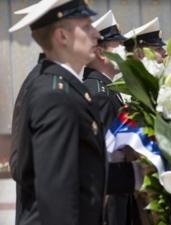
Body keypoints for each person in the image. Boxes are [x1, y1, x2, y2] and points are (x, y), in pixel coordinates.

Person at [9, 1, 106, 224]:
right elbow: (57, 193)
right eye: (87, 26)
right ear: (62, 36)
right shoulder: (57, 97)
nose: (96, 34)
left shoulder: (62, 86)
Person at [83, 10, 142, 225]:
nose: (124, 50)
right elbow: (109, 158)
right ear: (101, 53)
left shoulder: (107, 88)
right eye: (117, 44)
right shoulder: (100, 94)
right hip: (113, 204)